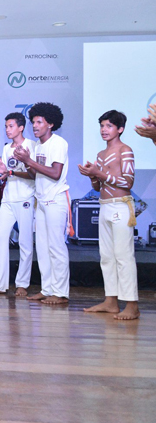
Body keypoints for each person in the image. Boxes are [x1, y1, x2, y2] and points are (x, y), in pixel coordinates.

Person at [80, 110, 139, 320]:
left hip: (121, 206)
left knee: (124, 256)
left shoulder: (125, 150)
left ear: (120, 129)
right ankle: (111, 301)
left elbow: (128, 182)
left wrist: (98, 173)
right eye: (102, 126)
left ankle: (132, 305)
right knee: (106, 257)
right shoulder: (100, 154)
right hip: (104, 205)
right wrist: (91, 176)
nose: (104, 130)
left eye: (109, 126)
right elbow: (98, 187)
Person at [13, 102, 71, 305]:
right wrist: (24, 161)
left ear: (51, 124)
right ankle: (47, 289)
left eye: (39, 122)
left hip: (55, 199)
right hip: (41, 200)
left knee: (56, 246)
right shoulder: (37, 145)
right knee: (43, 248)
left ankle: (61, 293)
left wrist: (29, 161)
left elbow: (55, 173)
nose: (35, 126)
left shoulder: (58, 143)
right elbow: (34, 174)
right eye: (33, 122)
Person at [0, 113, 36, 297]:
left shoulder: (31, 146)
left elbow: (33, 174)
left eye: (11, 126)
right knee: (1, 239)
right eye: (6, 126)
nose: (7, 130)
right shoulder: (6, 148)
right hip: (8, 199)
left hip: (26, 197)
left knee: (25, 242)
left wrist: (10, 171)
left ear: (21, 127)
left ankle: (22, 284)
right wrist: (0, 172)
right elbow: (5, 173)